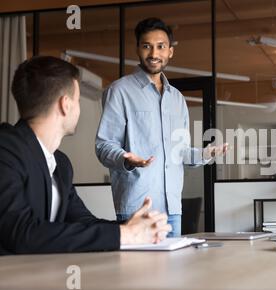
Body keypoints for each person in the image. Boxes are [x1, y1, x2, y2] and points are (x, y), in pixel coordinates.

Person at [0, 56, 171, 255]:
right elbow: (21, 233)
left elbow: (84, 222)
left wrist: (134, 226)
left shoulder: (61, 164)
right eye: (78, 99)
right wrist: (124, 234)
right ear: (66, 104)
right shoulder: (5, 149)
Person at [95, 17, 227, 237]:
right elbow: (103, 146)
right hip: (137, 207)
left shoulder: (177, 99)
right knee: (136, 272)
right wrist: (126, 159)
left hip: (173, 208)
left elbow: (180, 153)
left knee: (173, 271)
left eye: (161, 47)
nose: (154, 54)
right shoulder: (119, 91)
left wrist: (206, 153)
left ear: (170, 51)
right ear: (138, 49)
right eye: (147, 46)